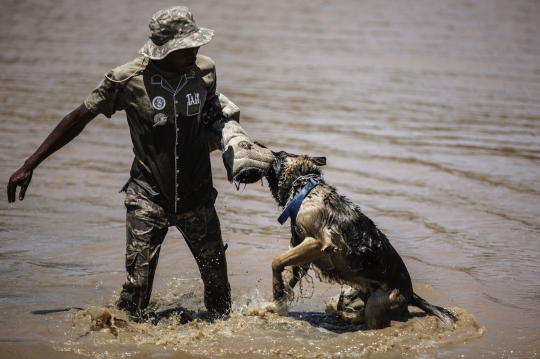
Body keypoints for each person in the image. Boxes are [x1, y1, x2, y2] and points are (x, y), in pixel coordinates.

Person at [7, 6, 239, 319]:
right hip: (148, 196)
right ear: (164, 50)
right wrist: (30, 163)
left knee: (220, 298)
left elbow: (215, 117)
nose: (194, 51)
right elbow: (78, 118)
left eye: (196, 45)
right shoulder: (128, 79)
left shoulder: (204, 71)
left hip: (197, 197)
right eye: (186, 48)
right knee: (134, 300)